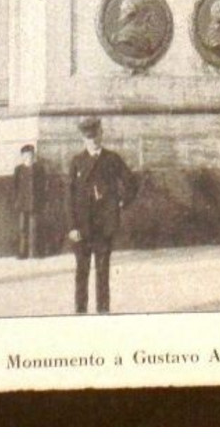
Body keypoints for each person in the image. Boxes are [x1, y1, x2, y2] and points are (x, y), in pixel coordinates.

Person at [67, 116, 139, 314]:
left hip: (104, 227)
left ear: (101, 134)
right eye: (89, 138)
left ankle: (103, 313)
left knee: (102, 273)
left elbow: (131, 182)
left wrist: (122, 201)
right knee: (81, 273)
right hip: (81, 228)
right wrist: (72, 227)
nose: (93, 141)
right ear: (83, 139)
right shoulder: (77, 162)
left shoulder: (112, 159)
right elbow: (70, 197)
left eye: (96, 136)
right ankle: (80, 313)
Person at [12, 144, 47, 259]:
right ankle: (22, 253)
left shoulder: (39, 169)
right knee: (22, 228)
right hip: (22, 203)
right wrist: (16, 201)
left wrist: (42, 201)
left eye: (31, 155)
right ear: (22, 156)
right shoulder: (18, 169)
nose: (29, 157)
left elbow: (43, 186)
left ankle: (33, 253)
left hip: (35, 203)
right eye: (26, 155)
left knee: (34, 228)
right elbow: (15, 186)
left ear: (34, 156)